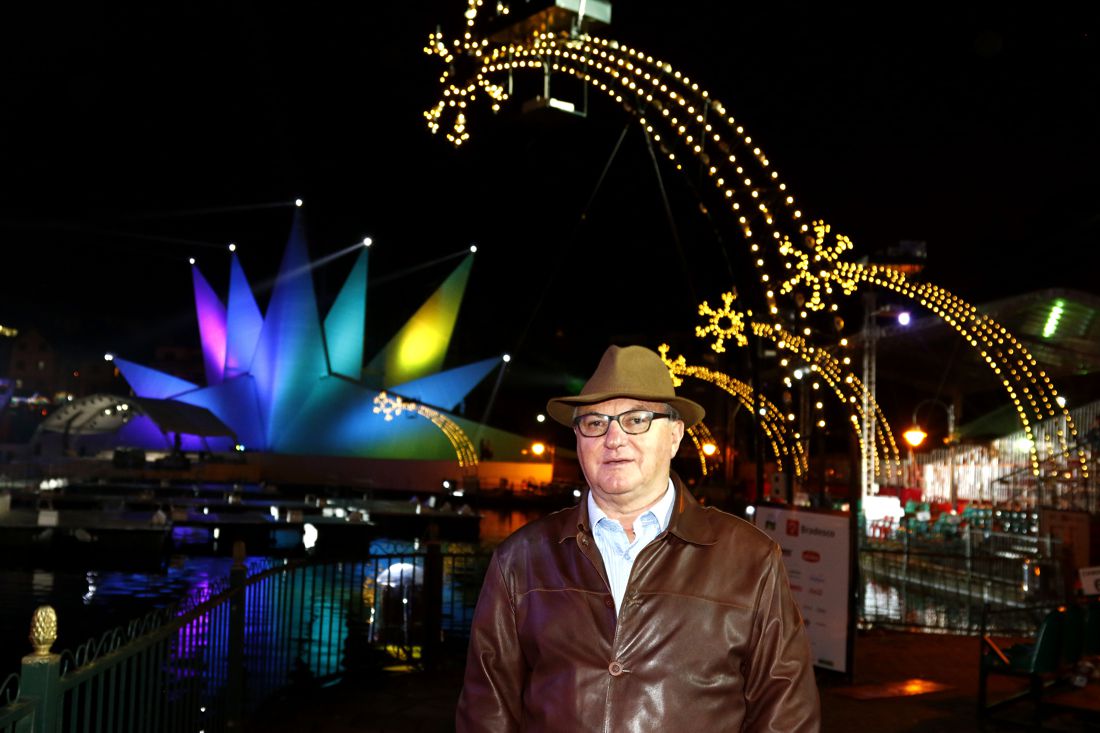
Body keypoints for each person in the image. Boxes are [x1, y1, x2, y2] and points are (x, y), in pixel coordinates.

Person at [456, 345, 820, 732]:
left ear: (675, 435)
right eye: (595, 423)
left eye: (636, 420)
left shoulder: (751, 558)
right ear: (579, 439)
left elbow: (786, 715)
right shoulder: (520, 560)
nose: (613, 438)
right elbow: (486, 711)